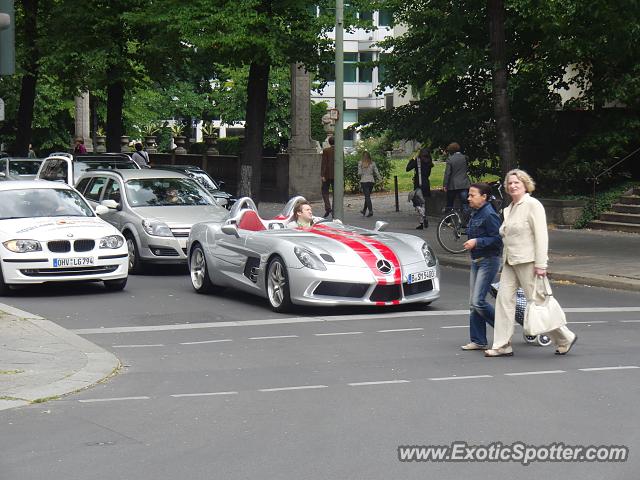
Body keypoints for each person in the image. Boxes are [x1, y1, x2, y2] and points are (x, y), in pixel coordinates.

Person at [485, 169, 577, 357]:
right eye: (509, 183)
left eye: (516, 182)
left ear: (525, 185)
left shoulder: (533, 205)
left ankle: (564, 337)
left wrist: (541, 264)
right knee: (504, 302)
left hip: (529, 261)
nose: (512, 186)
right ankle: (502, 344)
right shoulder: (508, 208)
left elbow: (541, 236)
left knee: (539, 303)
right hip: (511, 261)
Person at [460, 183, 503, 350]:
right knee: (474, 303)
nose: (468, 198)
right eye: (469, 195)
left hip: (488, 260)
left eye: (472, 195)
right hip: (477, 260)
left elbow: (498, 239)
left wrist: (477, 241)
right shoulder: (477, 212)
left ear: (484, 197)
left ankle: (503, 328)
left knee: (478, 301)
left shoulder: (489, 214)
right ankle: (478, 340)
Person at [406, 147, 433, 229]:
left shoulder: (418, 161)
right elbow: (428, 173)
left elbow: (407, 168)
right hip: (426, 183)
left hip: (418, 183)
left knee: (416, 203)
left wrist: (412, 159)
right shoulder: (429, 162)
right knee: (423, 203)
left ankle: (423, 216)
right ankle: (421, 223)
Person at [443, 142, 470, 215]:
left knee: (450, 203)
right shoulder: (465, 158)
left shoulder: (450, 159)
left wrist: (445, 185)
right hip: (464, 183)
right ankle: (466, 221)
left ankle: (447, 220)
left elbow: (447, 173)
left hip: (453, 185)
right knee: (465, 203)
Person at [357, 150, 379, 217]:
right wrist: (380, 178)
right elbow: (376, 172)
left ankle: (370, 211)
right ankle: (364, 210)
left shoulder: (360, 163)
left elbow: (359, 173)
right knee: (368, 196)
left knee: (367, 197)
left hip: (364, 181)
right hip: (371, 181)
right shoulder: (372, 163)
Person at [321, 136, 335, 218]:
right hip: (337, 175)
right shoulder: (340, 151)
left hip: (327, 174)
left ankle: (328, 208)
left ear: (329, 142)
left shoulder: (326, 150)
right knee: (335, 193)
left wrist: (322, 175)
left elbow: (324, 163)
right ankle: (333, 209)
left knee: (324, 191)